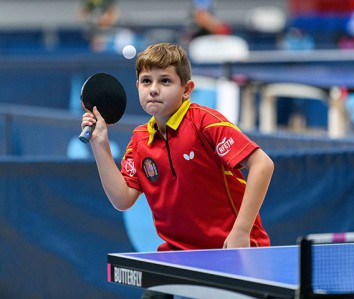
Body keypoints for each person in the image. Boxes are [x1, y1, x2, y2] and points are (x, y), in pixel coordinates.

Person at [81, 43, 273, 297]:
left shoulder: (205, 122)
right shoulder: (139, 141)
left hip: (229, 250)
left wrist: (241, 232)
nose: (154, 89)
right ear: (137, 86)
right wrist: (100, 145)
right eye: (146, 81)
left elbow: (263, 165)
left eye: (166, 81)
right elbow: (122, 198)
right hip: (176, 255)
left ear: (186, 89)